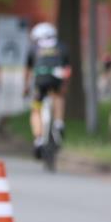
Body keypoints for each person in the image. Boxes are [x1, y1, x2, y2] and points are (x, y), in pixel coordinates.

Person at [24, 22, 71, 159]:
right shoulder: (62, 46)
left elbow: (28, 70)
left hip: (40, 80)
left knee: (36, 109)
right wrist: (65, 85)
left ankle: (38, 139)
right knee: (59, 96)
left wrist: (26, 87)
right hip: (57, 77)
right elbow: (68, 68)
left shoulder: (33, 47)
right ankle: (58, 123)